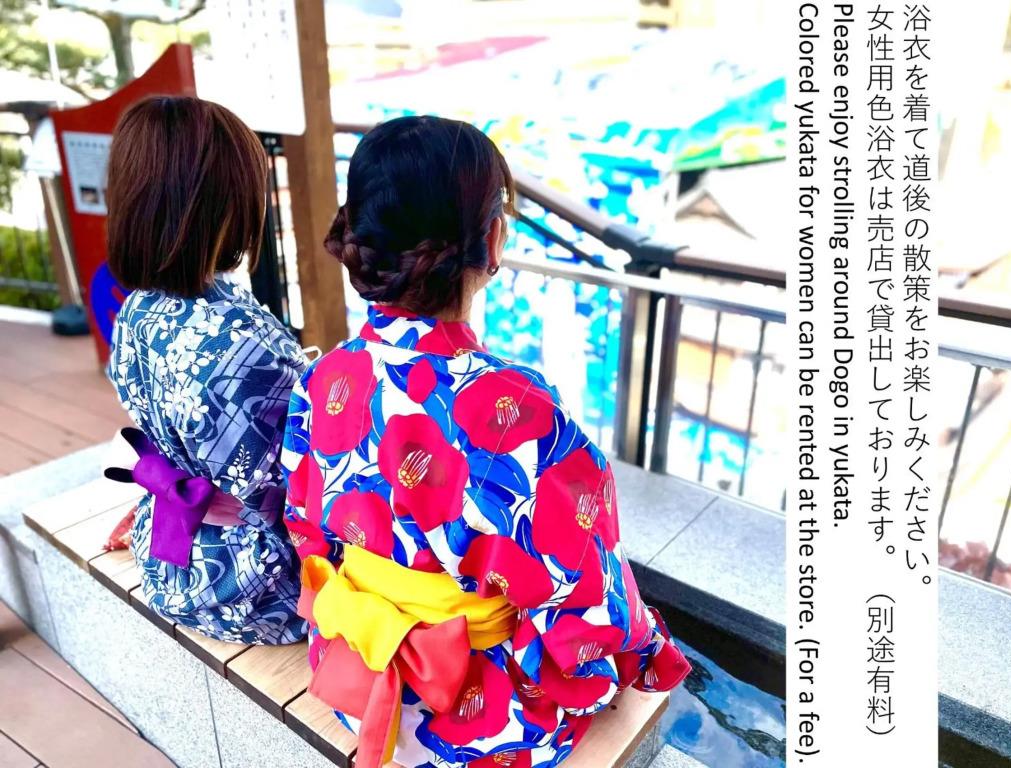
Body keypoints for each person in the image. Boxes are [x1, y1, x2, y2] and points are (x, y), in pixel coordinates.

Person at [282, 115, 690, 768]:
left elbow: (306, 526)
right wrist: (645, 651)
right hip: (479, 715)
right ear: (492, 241)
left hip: (357, 669)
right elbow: (584, 595)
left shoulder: (323, 376)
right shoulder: (521, 411)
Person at [103, 96, 306, 645]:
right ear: (227, 204)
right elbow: (291, 492)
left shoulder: (138, 310)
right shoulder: (243, 345)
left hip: (171, 552)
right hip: (258, 587)